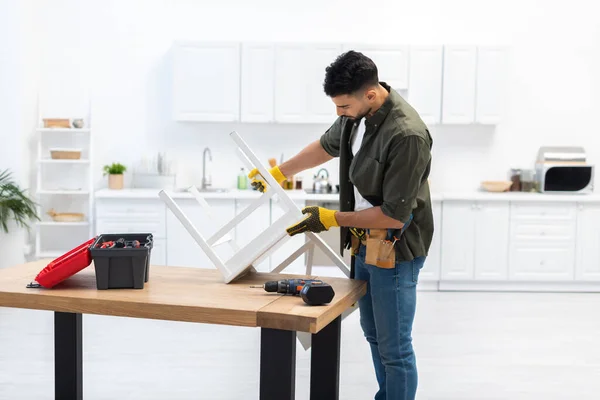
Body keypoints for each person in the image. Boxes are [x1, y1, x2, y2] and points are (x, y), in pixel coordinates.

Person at [248, 50, 434, 400]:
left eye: (343, 107)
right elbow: (325, 146)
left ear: (371, 94)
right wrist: (279, 173)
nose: (339, 114)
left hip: (396, 249)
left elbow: (394, 215)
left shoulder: (407, 134)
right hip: (365, 245)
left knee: (395, 347)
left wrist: (332, 218)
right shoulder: (355, 117)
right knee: (374, 334)